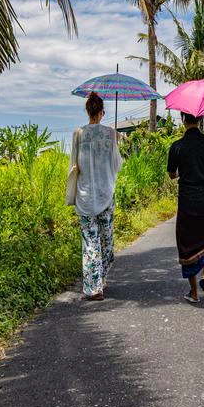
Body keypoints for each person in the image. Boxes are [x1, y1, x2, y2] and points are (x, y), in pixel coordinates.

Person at [167, 112, 204, 309]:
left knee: (187, 244)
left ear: (183, 119)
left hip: (187, 202)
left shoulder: (176, 146)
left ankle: (193, 292)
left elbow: (171, 174)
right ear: (199, 120)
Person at [70, 92, 123, 301]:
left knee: (90, 241)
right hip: (105, 194)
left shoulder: (78, 133)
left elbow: (74, 165)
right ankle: (98, 282)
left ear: (87, 111)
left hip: (85, 195)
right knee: (106, 240)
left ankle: (94, 286)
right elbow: (117, 165)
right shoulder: (111, 133)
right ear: (102, 112)